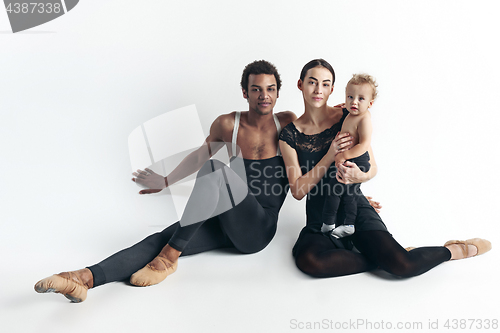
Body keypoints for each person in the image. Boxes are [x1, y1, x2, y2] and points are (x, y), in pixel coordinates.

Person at [34, 60, 297, 302]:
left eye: (271, 89)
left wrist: (339, 114)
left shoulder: (288, 122)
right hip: (225, 218)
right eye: (257, 89)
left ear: (278, 92)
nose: (264, 96)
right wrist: (166, 180)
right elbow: (200, 156)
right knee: (160, 239)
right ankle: (83, 279)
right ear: (245, 92)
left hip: (258, 229)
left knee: (217, 171)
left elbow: (319, 127)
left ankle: (170, 258)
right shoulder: (229, 123)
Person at [279, 58, 491, 278]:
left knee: (403, 267)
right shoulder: (289, 135)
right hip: (320, 217)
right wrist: (330, 155)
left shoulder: (348, 116)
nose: (318, 90)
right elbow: (297, 190)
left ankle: (455, 250)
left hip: (354, 206)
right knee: (310, 262)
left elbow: (372, 169)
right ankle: (379, 260)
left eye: (325, 84)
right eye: (312, 82)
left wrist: (357, 177)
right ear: (300, 84)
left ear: (332, 89)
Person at [321, 73, 377, 239]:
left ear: (370, 103)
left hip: (356, 160)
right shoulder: (351, 112)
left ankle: (345, 224)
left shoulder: (364, 118)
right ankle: (331, 223)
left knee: (344, 193)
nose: (354, 102)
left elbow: (364, 144)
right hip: (349, 159)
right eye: (350, 97)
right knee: (339, 192)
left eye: (361, 99)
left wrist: (344, 155)